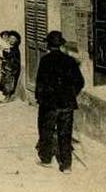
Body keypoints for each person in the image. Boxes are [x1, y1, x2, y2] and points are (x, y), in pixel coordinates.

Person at [35, 31, 85, 173]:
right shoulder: (70, 61)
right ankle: (66, 165)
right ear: (62, 45)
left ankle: (46, 159)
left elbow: (40, 82)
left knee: (46, 130)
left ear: (48, 45)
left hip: (49, 103)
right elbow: (80, 82)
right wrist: (71, 94)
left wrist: (40, 98)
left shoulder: (45, 60)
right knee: (65, 133)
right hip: (66, 104)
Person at [0, 30, 22, 104]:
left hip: (11, 69)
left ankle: (7, 97)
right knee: (5, 82)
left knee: (9, 83)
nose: (12, 40)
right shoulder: (10, 48)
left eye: (14, 39)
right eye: (10, 39)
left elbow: (13, 59)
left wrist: (6, 52)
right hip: (7, 67)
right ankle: (6, 96)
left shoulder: (15, 50)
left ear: (17, 41)